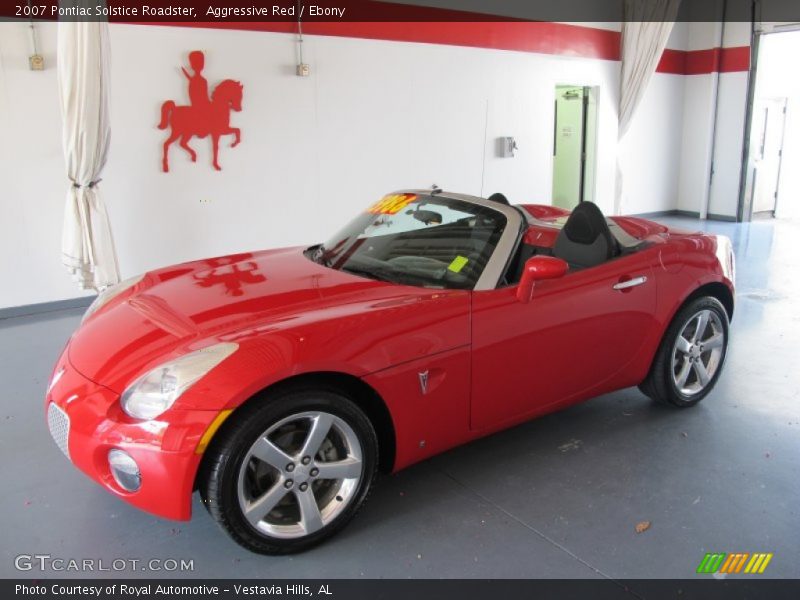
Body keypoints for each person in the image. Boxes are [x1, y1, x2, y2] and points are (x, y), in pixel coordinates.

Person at [182, 50, 211, 124]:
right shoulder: (199, 81)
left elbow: (204, 96)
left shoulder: (201, 80)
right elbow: (197, 97)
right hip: (200, 107)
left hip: (203, 105)